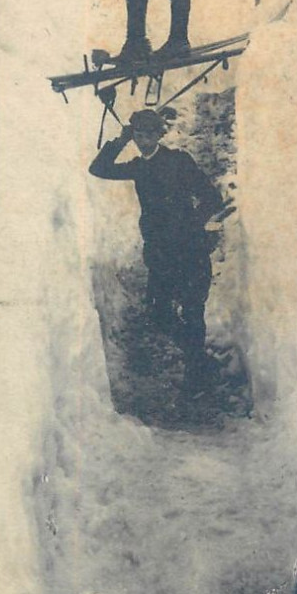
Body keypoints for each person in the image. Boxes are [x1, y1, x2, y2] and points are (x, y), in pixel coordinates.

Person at [89, 109, 224, 391]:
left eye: (150, 133)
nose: (144, 139)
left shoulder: (178, 161)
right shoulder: (139, 166)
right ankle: (196, 357)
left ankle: (195, 377)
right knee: (158, 312)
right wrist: (121, 139)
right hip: (161, 255)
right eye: (139, 134)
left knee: (192, 310)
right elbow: (99, 169)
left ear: (159, 134)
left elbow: (212, 197)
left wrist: (193, 225)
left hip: (189, 251)